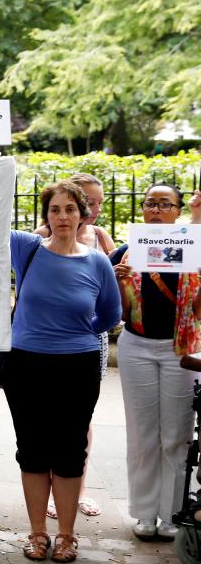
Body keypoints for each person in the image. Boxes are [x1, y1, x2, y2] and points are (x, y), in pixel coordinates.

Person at [4, 180, 121, 562]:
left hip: (77, 367)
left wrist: (81, 332)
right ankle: (37, 533)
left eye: (70, 209)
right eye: (55, 210)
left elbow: (110, 313)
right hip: (27, 365)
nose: (63, 217)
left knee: (70, 452)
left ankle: (66, 536)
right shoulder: (27, 249)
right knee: (33, 450)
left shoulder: (97, 260)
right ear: (46, 216)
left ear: (82, 214)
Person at [111, 183, 201, 541]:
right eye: (151, 203)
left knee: (177, 436)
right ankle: (145, 512)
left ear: (177, 211)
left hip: (179, 349)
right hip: (136, 346)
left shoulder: (194, 252)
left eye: (166, 204)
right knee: (143, 432)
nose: (157, 210)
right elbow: (114, 311)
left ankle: (172, 513)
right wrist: (116, 280)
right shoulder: (125, 253)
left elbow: (197, 311)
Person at [34, 172, 116, 519]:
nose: (93, 209)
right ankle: (50, 499)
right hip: (46, 342)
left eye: (96, 203)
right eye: (89, 202)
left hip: (87, 339)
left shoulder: (99, 238)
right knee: (46, 424)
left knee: (81, 422)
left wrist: (87, 328)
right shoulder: (38, 240)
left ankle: (77, 491)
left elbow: (112, 297)